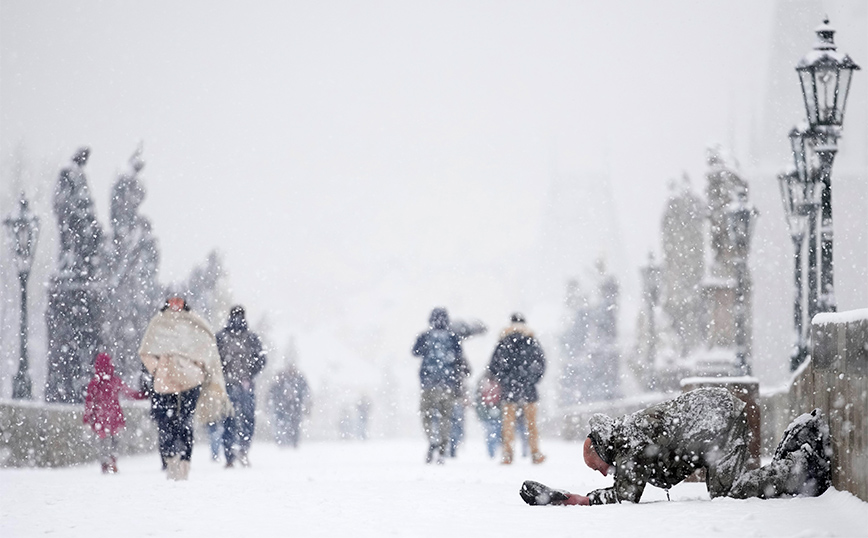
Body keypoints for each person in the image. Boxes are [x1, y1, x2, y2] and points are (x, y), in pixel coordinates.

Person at [519, 387, 832, 506]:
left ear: (602, 452)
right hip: (714, 413)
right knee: (726, 490)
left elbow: (627, 495)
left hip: (715, 421)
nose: (601, 474)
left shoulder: (628, 443)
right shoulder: (626, 435)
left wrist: (580, 500)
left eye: (596, 466)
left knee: (730, 492)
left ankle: (800, 467)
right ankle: (793, 460)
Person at [139, 296, 231, 480]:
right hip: (165, 382)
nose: (175, 306)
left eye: (178, 302)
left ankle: (184, 462)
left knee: (185, 422)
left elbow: (207, 347)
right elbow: (146, 351)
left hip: (190, 381)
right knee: (167, 423)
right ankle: (171, 460)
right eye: (172, 302)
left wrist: (198, 367)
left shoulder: (194, 323)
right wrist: (158, 369)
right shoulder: (158, 324)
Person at [412, 307, 470, 464]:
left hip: (428, 383)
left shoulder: (425, 336)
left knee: (427, 415)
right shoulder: (453, 337)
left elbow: (415, 352)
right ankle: (443, 447)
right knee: (446, 416)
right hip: (448, 384)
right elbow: (460, 361)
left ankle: (432, 439)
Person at [488, 313, 546, 464]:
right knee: (531, 423)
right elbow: (541, 363)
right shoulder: (532, 341)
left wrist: (504, 379)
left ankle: (507, 454)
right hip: (529, 388)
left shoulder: (504, 341)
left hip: (509, 388)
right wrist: (532, 379)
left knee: (508, 424)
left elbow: (494, 366)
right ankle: (535, 453)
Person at [216, 305, 267, 467]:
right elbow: (261, 360)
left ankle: (233, 454)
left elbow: (261, 360)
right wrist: (249, 373)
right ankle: (238, 452)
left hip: (235, 384)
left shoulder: (224, 337)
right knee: (241, 419)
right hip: (237, 384)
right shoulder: (249, 338)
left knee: (234, 419)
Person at [83, 353, 145, 473]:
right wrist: (143, 395)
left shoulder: (94, 383)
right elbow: (129, 393)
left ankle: (105, 463)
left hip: (100, 418)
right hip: (114, 416)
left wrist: (87, 419)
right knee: (115, 441)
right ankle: (112, 461)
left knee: (102, 442)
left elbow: (89, 404)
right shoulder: (115, 381)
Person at [268, 364, 310, 448]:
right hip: (284, 406)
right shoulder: (283, 380)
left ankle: (292, 441)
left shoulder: (298, 380)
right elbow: (273, 392)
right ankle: (283, 441)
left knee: (293, 424)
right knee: (283, 424)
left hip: (293, 406)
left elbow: (305, 391)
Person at [474, 371, 502, 459]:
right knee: (495, 433)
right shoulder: (499, 383)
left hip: (488, 413)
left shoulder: (482, 383)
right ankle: (493, 453)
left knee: (490, 433)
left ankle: (492, 453)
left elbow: (478, 399)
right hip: (494, 412)